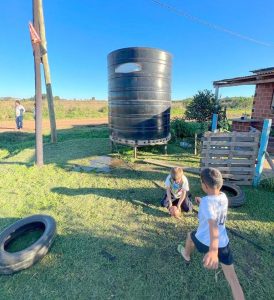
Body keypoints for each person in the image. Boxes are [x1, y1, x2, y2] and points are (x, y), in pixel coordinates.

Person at [177, 167, 244, 300]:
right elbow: (213, 206)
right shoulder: (223, 197)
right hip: (223, 243)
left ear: (205, 185)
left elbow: (213, 226)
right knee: (232, 279)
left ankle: (186, 255)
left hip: (206, 242)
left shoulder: (207, 203)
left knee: (190, 236)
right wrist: (202, 202)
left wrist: (213, 251)